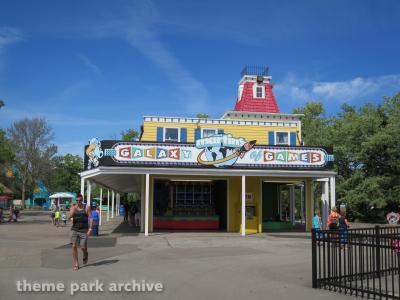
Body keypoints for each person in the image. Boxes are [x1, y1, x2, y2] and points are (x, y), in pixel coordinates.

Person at [68, 194, 92, 270]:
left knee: (82, 247)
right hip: (74, 229)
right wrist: (72, 210)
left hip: (84, 230)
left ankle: (85, 253)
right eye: (77, 200)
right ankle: (76, 263)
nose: (78, 202)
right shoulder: (73, 207)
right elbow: (69, 218)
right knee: (73, 246)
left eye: (80, 200)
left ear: (82, 200)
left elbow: (91, 218)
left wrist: (90, 229)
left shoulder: (86, 208)